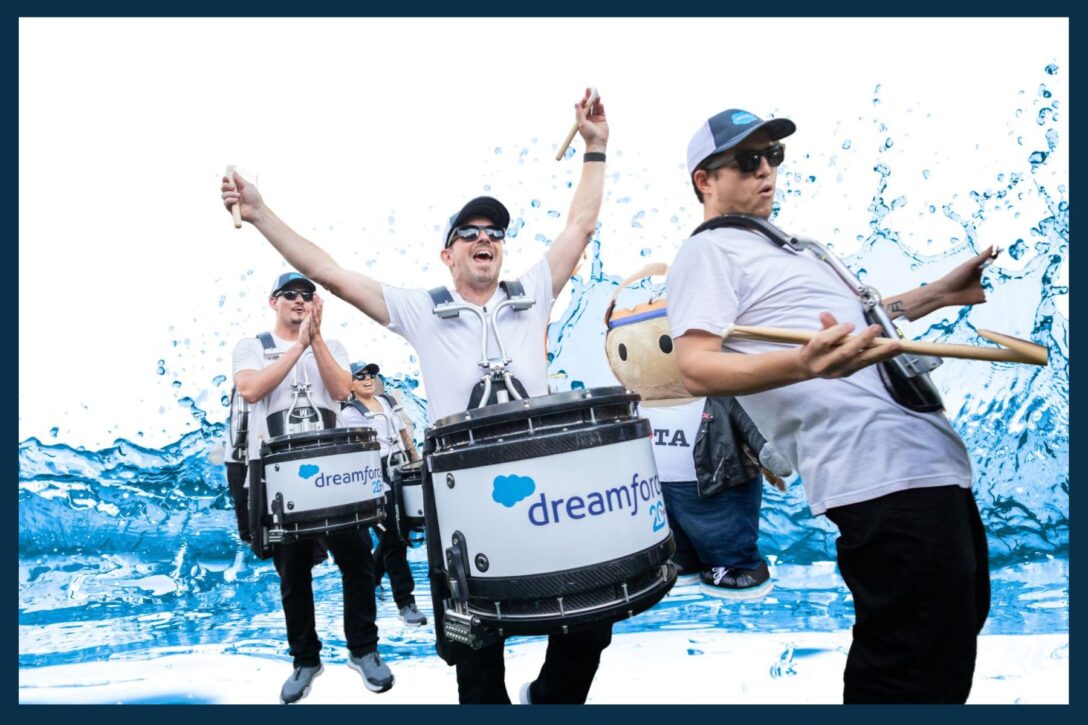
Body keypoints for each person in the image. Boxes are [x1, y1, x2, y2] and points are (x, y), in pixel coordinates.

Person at [222, 89, 611, 704]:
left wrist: (595, 147)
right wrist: (262, 211)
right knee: (477, 658)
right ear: (448, 252)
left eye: (496, 233)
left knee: (590, 622)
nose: (487, 238)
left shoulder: (534, 290)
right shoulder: (423, 311)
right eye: (471, 232)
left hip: (544, 496)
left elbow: (580, 226)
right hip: (469, 508)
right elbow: (330, 273)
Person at [667, 108, 993, 703]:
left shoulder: (788, 249)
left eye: (774, 157)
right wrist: (804, 364)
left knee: (947, 633)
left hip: (920, 462)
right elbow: (694, 365)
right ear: (703, 181)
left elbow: (853, 328)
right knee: (909, 664)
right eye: (747, 160)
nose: (767, 170)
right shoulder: (710, 254)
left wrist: (938, 293)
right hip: (877, 474)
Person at [232, 272, 394, 703]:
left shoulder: (333, 347)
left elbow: (344, 390)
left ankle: (364, 650)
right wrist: (297, 347)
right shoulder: (253, 348)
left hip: (331, 478)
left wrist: (316, 340)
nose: (300, 301)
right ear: (274, 302)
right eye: (291, 295)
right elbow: (249, 390)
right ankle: (305, 659)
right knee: (293, 574)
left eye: (308, 295)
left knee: (357, 559)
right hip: (279, 482)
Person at [641, 395, 791, 598]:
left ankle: (739, 567)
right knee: (670, 530)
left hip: (718, 486)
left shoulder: (722, 401)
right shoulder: (637, 406)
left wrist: (768, 453)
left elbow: (752, 430)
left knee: (723, 530)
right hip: (660, 490)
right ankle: (681, 560)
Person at [340, 361, 427, 627]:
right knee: (393, 537)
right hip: (375, 475)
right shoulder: (348, 413)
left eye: (372, 375)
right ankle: (406, 602)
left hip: (400, 470)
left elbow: (403, 433)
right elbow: (350, 451)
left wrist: (415, 459)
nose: (368, 379)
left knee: (399, 534)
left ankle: (375, 578)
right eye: (361, 376)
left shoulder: (387, 402)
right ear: (351, 383)